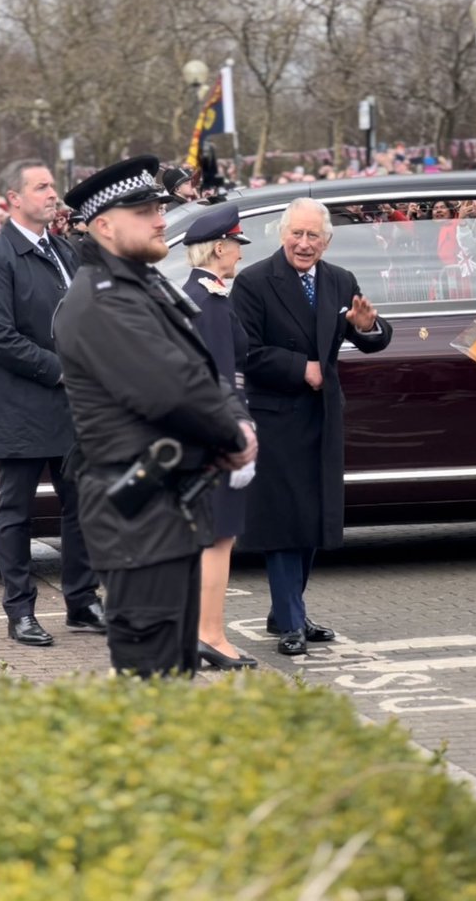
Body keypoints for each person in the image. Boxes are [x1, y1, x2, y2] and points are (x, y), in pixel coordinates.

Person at [54, 156, 257, 678]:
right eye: (144, 210)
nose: (162, 219)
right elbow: (170, 389)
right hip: (137, 508)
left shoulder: (142, 285)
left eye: (159, 208)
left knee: (176, 666)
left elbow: (203, 366)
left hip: (172, 502)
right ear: (104, 225)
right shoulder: (102, 300)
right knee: (152, 675)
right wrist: (232, 433)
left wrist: (234, 419)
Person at [231, 198, 392, 656]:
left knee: (314, 518)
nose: (304, 244)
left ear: (327, 240)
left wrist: (369, 325)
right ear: (282, 235)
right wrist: (300, 368)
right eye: (296, 235)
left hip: (322, 416)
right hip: (276, 416)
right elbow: (246, 350)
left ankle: (287, 609)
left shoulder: (339, 280)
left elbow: (375, 337)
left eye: (313, 236)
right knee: (283, 520)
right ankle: (291, 620)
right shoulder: (254, 281)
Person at [0, 158, 103, 646]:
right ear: (14, 199)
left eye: (53, 185)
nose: (53, 193)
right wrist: (61, 369)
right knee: (16, 513)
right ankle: (20, 611)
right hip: (22, 408)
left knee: (81, 507)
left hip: (70, 410)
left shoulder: (65, 251)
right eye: (41, 186)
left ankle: (82, 603)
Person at [181, 202, 257, 671]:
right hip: (218, 437)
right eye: (235, 246)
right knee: (218, 539)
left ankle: (201, 631)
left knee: (210, 538)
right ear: (218, 248)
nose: (240, 256)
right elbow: (221, 380)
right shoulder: (210, 302)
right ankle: (210, 633)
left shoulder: (199, 295)